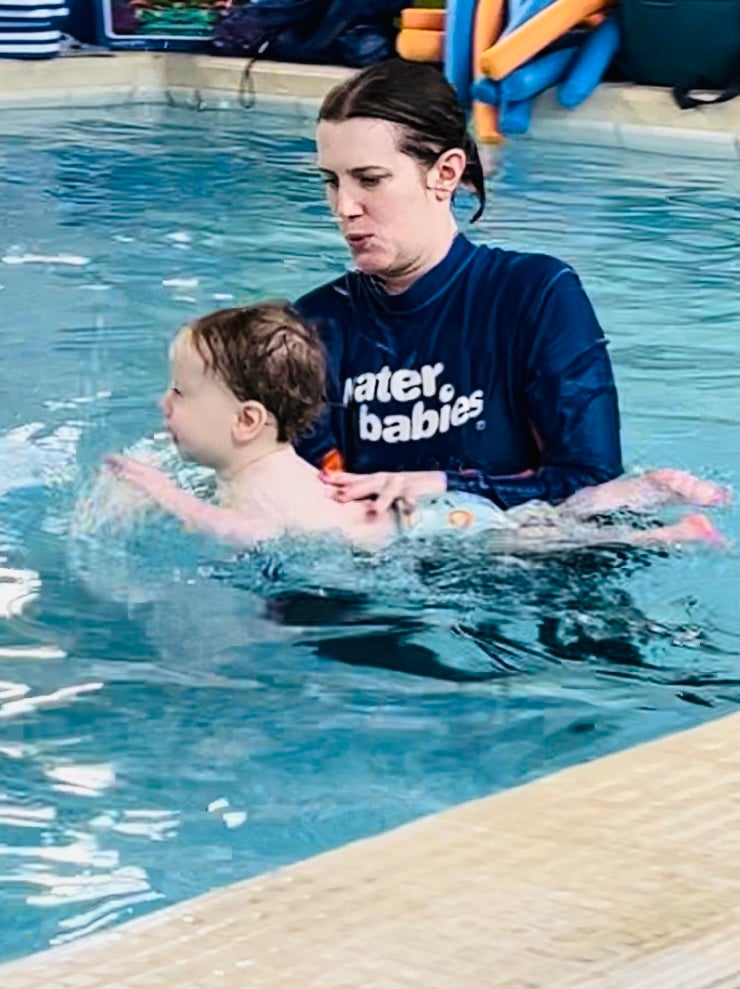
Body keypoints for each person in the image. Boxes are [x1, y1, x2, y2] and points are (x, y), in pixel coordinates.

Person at [106, 303, 728, 551]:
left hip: (434, 533)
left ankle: (665, 537)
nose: (165, 404)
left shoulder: (254, 487)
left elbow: (244, 533)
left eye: (180, 392)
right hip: (427, 515)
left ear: (247, 421)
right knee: (543, 522)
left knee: (544, 540)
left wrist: (164, 494)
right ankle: (637, 491)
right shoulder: (276, 461)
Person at [293, 58, 624, 518]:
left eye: (370, 180)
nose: (344, 207)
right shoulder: (312, 326)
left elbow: (594, 486)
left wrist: (445, 486)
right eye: (331, 182)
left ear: (446, 173)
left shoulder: (536, 294)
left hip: (523, 573)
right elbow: (294, 496)